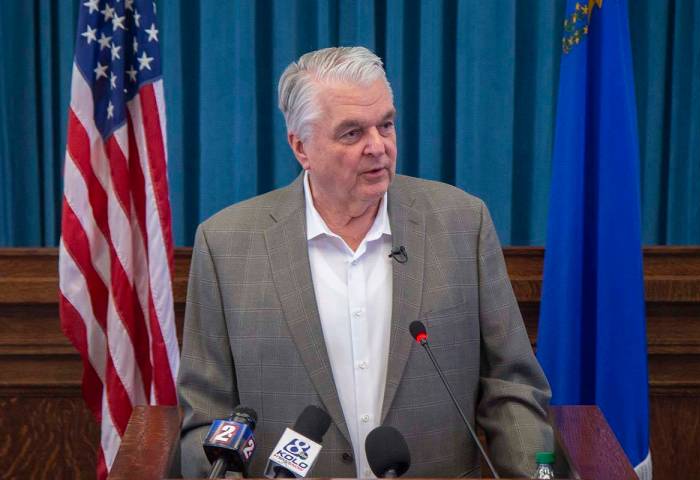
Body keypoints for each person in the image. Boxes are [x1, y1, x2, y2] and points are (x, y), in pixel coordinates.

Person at [178, 46, 553, 478]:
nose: (378, 147)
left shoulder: (462, 224)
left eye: (386, 125)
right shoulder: (227, 245)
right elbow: (206, 414)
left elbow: (512, 386)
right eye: (352, 133)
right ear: (302, 147)